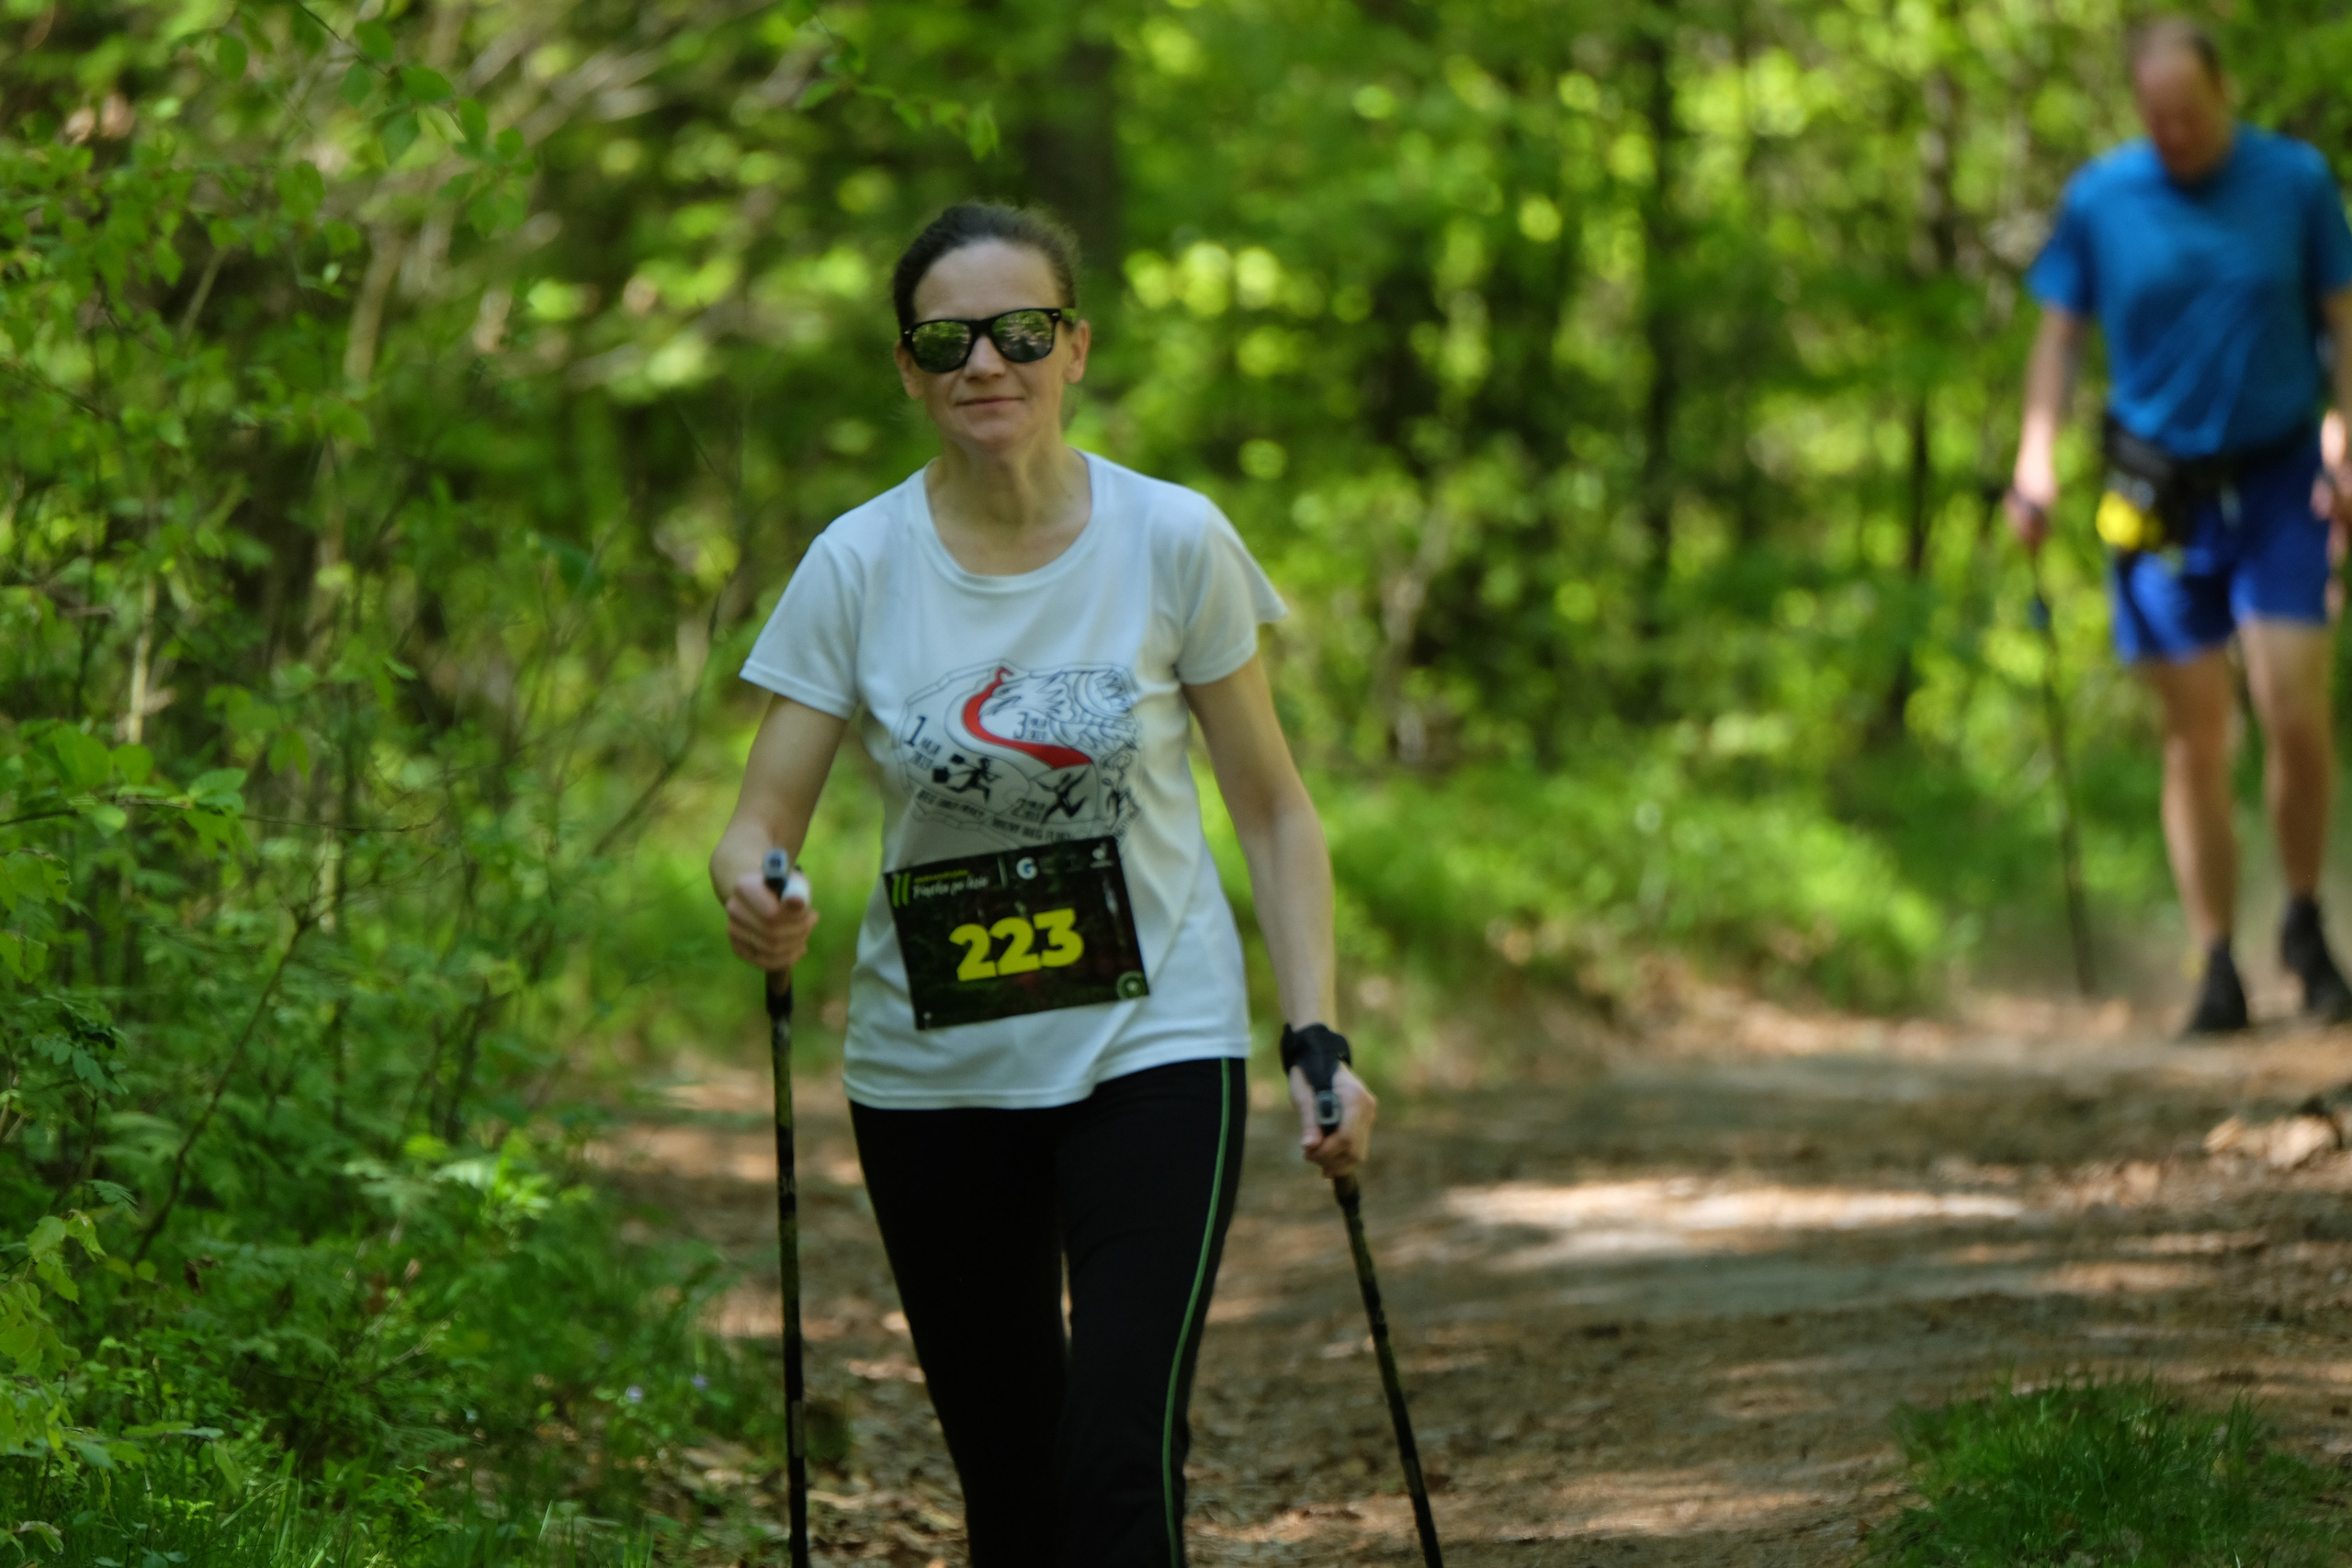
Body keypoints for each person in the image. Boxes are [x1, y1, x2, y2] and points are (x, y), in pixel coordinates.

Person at [708, 202, 1374, 1565]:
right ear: (907, 367)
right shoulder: (857, 562)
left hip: (1157, 1043)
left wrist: (1316, 1035)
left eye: (1019, 332)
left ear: (1073, 348)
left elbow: (1274, 808)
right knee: (1011, 1480)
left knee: (1118, 1451)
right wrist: (760, 890)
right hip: (933, 1070)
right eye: (945, 340)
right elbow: (755, 823)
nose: (984, 365)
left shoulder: (1172, 538)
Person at [2007, 17, 2352, 1033]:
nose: (2173, 134)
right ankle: (2215, 962)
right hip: (2156, 491)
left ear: (2222, 95)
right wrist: (2035, 457)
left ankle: (2299, 918)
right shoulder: (2101, 198)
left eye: (2189, 115)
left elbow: (2342, 315)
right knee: (2191, 729)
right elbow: (2058, 336)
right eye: (2155, 118)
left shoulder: (2292, 182)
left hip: (2283, 474)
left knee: (2290, 696)